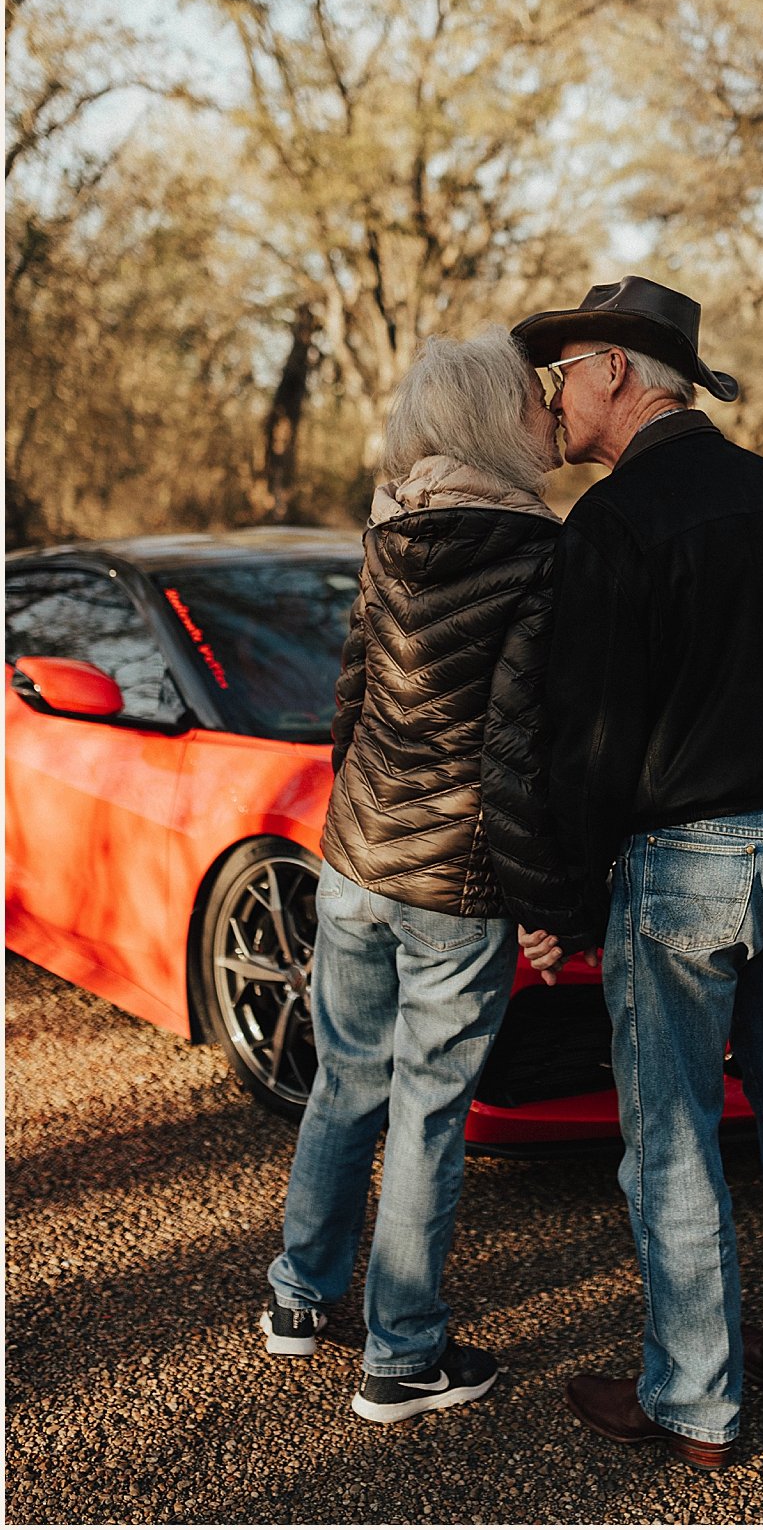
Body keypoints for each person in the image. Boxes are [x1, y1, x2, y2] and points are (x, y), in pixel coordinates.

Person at [512, 275, 763, 1472]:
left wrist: (559, 902)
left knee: (673, 1140)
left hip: (684, 870)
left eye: (565, 373)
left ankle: (697, 1405)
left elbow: (589, 740)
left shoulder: (613, 524)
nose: (554, 397)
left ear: (618, 371)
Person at [261, 328, 584, 1424]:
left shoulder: (388, 525)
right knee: (429, 1115)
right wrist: (545, 902)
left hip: (356, 855)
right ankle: (401, 1357)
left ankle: (297, 1301)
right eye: (534, 403)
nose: (549, 417)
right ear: (495, 419)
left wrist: (351, 819)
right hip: (454, 881)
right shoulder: (541, 553)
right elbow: (513, 750)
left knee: (344, 1081)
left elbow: (352, 693)